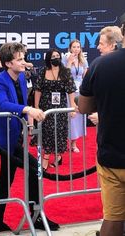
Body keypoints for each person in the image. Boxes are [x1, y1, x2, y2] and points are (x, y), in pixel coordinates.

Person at [0, 42, 60, 233]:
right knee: (29, 171)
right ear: (8, 63)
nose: (23, 62)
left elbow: (21, 101)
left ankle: (5, 220)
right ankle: (33, 216)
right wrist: (28, 109)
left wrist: (28, 124)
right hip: (3, 140)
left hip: (16, 136)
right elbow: (2, 103)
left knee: (12, 177)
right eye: (19, 59)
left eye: (23, 58)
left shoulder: (20, 77)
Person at [78, 13, 125, 236]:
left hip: (112, 155)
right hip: (111, 155)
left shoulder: (100, 65)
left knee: (113, 219)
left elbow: (85, 107)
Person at [34, 48, 77, 170]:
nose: (56, 58)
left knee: (59, 132)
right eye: (53, 56)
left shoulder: (65, 72)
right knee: (47, 131)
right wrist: (36, 107)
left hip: (61, 107)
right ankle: (46, 158)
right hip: (46, 106)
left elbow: (71, 90)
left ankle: (58, 156)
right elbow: (38, 90)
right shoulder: (43, 71)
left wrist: (73, 107)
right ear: (48, 58)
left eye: (58, 56)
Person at [88, 26, 123, 125]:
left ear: (112, 46)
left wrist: (103, 116)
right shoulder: (99, 66)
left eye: (101, 44)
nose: (98, 47)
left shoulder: (98, 65)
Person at [62, 39, 88, 152]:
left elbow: (85, 77)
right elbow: (64, 75)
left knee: (77, 117)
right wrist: (69, 62)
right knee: (69, 117)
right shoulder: (65, 58)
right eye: (74, 47)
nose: (76, 49)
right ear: (70, 48)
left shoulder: (83, 60)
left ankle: (74, 144)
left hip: (79, 92)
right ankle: (64, 142)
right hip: (68, 92)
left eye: (78, 47)